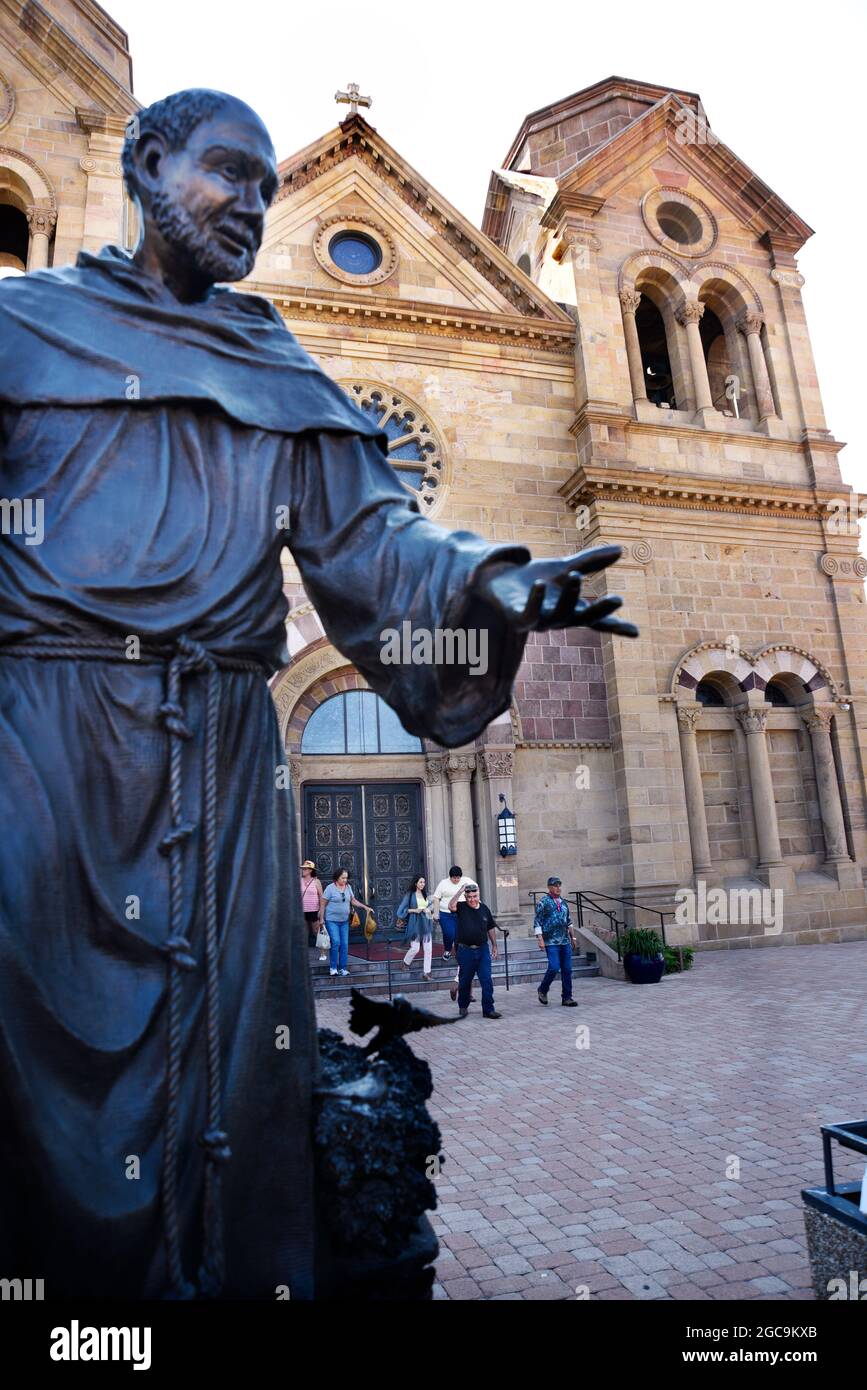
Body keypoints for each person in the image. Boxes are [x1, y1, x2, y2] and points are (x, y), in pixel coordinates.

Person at [0, 85, 634, 1299]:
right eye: (227, 173)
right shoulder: (23, 326)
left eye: (264, 188)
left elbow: (380, 545)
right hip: (47, 753)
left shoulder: (272, 359)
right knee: (38, 1085)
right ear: (142, 160)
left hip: (232, 767)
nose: (250, 202)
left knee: (234, 1077)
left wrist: (495, 588)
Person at [449, 883, 501, 1019]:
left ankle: (488, 1010)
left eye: (475, 896)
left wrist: (494, 945)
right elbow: (451, 906)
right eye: (469, 897)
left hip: (482, 949)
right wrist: (460, 891)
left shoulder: (484, 909)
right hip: (465, 950)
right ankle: (463, 1005)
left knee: (486, 980)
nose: (472, 899)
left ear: (479, 895)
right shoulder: (461, 907)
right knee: (465, 980)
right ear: (465, 897)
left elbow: (490, 927)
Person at [534, 876, 578, 1007]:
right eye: (555, 885)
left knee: (567, 969)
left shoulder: (563, 903)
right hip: (551, 941)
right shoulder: (543, 902)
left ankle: (567, 997)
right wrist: (540, 939)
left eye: (559, 885)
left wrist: (573, 938)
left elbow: (568, 921)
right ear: (549, 887)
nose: (558, 888)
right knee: (554, 967)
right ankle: (542, 989)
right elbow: (537, 921)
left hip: (564, 941)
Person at [321, 869, 371, 977]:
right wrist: (321, 919)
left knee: (344, 945)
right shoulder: (330, 888)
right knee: (336, 942)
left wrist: (365, 907)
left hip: (344, 921)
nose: (345, 880)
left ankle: (343, 969)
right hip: (332, 920)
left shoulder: (348, 887)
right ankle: (333, 968)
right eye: (342, 878)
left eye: (346, 878)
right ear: (337, 877)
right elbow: (323, 904)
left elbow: (353, 900)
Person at [431, 865, 473, 962]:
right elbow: (436, 898)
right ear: (450, 877)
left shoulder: (466, 880)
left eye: (458, 878)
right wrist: (436, 913)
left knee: (459, 935)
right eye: (454, 878)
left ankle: (459, 953)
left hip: (461, 913)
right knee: (449, 933)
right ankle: (447, 950)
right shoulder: (443, 883)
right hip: (445, 913)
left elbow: (476, 888)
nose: (456, 880)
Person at [397, 874, 434, 980]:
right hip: (415, 925)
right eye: (420, 882)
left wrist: (429, 910)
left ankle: (426, 973)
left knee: (428, 949)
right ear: (415, 883)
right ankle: (405, 962)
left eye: (424, 882)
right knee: (415, 948)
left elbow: (429, 907)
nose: (423, 884)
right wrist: (414, 910)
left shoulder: (425, 894)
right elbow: (400, 911)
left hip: (426, 924)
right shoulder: (410, 895)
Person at [300, 860, 326, 958]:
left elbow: (321, 897)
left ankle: (323, 953)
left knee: (317, 932)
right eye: (303, 868)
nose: (303, 870)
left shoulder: (316, 881)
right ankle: (303, 954)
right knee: (303, 933)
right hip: (302, 910)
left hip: (314, 910)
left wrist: (321, 910)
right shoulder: (300, 881)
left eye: (305, 869)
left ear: (310, 870)